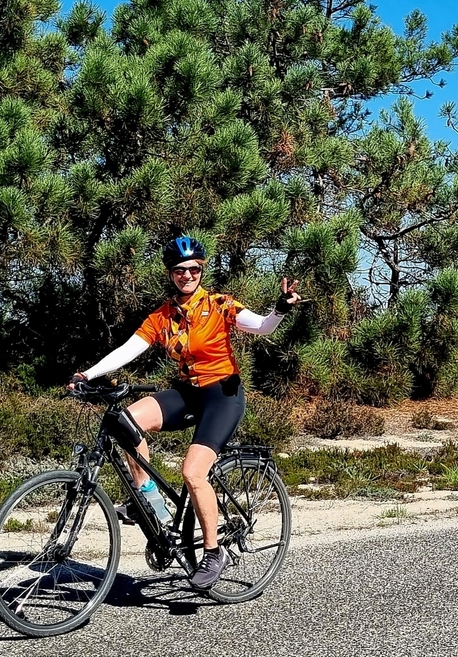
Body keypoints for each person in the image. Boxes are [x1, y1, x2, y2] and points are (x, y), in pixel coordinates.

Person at [68, 235, 302, 589]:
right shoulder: (163, 316)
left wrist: (280, 308)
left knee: (193, 473)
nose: (187, 275)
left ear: (201, 271)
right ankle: (149, 501)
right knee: (125, 422)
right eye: (180, 270)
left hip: (223, 396)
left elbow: (261, 326)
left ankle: (212, 553)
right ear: (171, 274)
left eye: (193, 269)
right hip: (186, 393)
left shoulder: (220, 305)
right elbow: (128, 349)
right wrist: (88, 374)